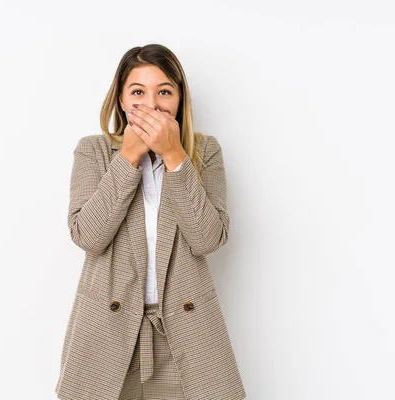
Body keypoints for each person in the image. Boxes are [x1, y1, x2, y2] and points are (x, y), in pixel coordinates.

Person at [55, 43, 246, 400]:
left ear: (179, 100)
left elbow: (208, 239)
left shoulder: (205, 152)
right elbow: (88, 236)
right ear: (122, 100)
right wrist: (128, 156)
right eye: (138, 92)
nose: (153, 105)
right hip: (108, 333)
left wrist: (175, 155)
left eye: (164, 92)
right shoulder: (93, 150)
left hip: (185, 332)